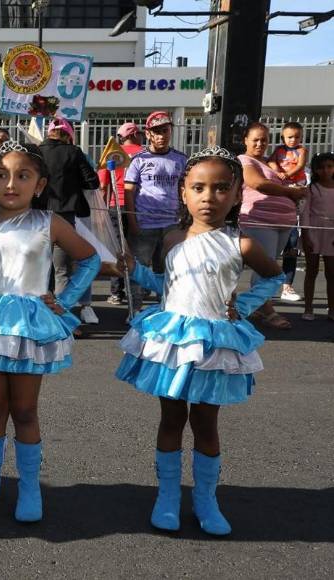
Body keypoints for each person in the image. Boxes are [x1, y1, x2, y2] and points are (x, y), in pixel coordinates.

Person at [115, 146, 284, 536]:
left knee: (206, 422)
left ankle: (206, 499)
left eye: (221, 188)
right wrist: (135, 270)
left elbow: (274, 276)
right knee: (171, 417)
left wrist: (245, 306)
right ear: (184, 192)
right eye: (199, 187)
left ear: (238, 194)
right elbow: (166, 285)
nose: (210, 196)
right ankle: (167, 496)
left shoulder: (241, 243)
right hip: (175, 340)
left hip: (213, 342)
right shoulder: (172, 238)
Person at [0, 140, 99, 522]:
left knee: (25, 410)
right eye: (1, 175)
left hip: (29, 325)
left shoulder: (50, 222)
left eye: (22, 176)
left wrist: (65, 300)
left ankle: (29, 487)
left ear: (39, 185)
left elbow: (90, 258)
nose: (11, 184)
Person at [239, 122, 308, 330]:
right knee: (266, 268)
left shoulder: (271, 163)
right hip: (260, 221)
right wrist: (290, 192)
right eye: (255, 140)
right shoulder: (244, 160)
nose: (260, 144)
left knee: (268, 266)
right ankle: (268, 311)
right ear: (245, 140)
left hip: (282, 223)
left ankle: (257, 305)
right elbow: (257, 184)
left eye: (264, 140)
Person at [38, 117, 101, 327]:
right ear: (67, 135)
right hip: (64, 217)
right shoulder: (73, 152)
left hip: (36, 217)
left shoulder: (36, 152)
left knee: (40, 268)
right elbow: (92, 181)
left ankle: (42, 316)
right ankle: (62, 319)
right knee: (62, 269)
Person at [124, 111, 187, 317]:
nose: (161, 136)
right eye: (157, 131)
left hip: (172, 224)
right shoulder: (138, 160)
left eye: (165, 131)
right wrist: (133, 221)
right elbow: (129, 191)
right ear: (148, 134)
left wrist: (185, 217)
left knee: (169, 268)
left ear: (171, 131)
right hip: (144, 224)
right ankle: (134, 309)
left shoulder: (181, 159)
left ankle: (166, 309)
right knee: (137, 269)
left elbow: (186, 189)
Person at [99, 122, 143, 305]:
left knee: (118, 250)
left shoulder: (111, 153)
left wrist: (102, 210)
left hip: (114, 205)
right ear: (133, 135)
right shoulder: (143, 153)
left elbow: (103, 185)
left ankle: (117, 292)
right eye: (139, 134)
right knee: (137, 249)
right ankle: (138, 290)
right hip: (137, 205)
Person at [268, 122, 308, 302]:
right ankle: (267, 287)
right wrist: (278, 171)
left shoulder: (301, 150)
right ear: (283, 137)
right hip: (280, 191)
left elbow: (300, 165)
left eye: (297, 136)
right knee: (270, 249)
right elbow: (270, 161)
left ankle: (287, 286)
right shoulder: (278, 150)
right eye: (290, 136)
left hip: (295, 188)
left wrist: (288, 174)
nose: (293, 140)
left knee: (291, 244)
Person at [300, 152, 334, 322]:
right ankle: (308, 307)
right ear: (315, 170)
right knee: (311, 270)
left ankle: (332, 308)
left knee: (331, 272)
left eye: (330, 166)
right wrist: (306, 235)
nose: (326, 171)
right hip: (313, 230)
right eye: (321, 167)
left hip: (332, 232)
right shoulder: (311, 188)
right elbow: (305, 213)